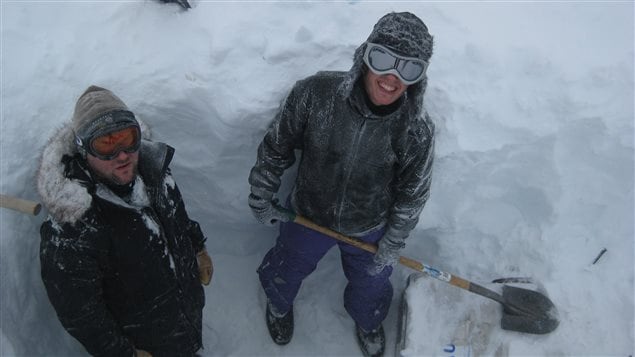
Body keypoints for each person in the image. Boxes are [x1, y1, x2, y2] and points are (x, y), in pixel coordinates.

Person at [247, 11, 435, 357]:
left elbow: (413, 195)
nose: (392, 78)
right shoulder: (315, 94)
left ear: (419, 78)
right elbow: (277, 146)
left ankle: (368, 320)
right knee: (286, 268)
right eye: (383, 59)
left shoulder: (416, 130)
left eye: (409, 68)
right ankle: (278, 304)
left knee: (372, 284)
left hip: (369, 225)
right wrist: (262, 192)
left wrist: (392, 242)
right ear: (365, 55)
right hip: (307, 214)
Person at [37, 85, 213, 357]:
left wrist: (197, 246)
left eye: (126, 138)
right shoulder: (75, 227)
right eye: (106, 145)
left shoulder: (154, 173)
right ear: (84, 149)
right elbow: (80, 314)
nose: (121, 155)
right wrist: (122, 353)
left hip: (184, 313)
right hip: (146, 341)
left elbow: (177, 217)